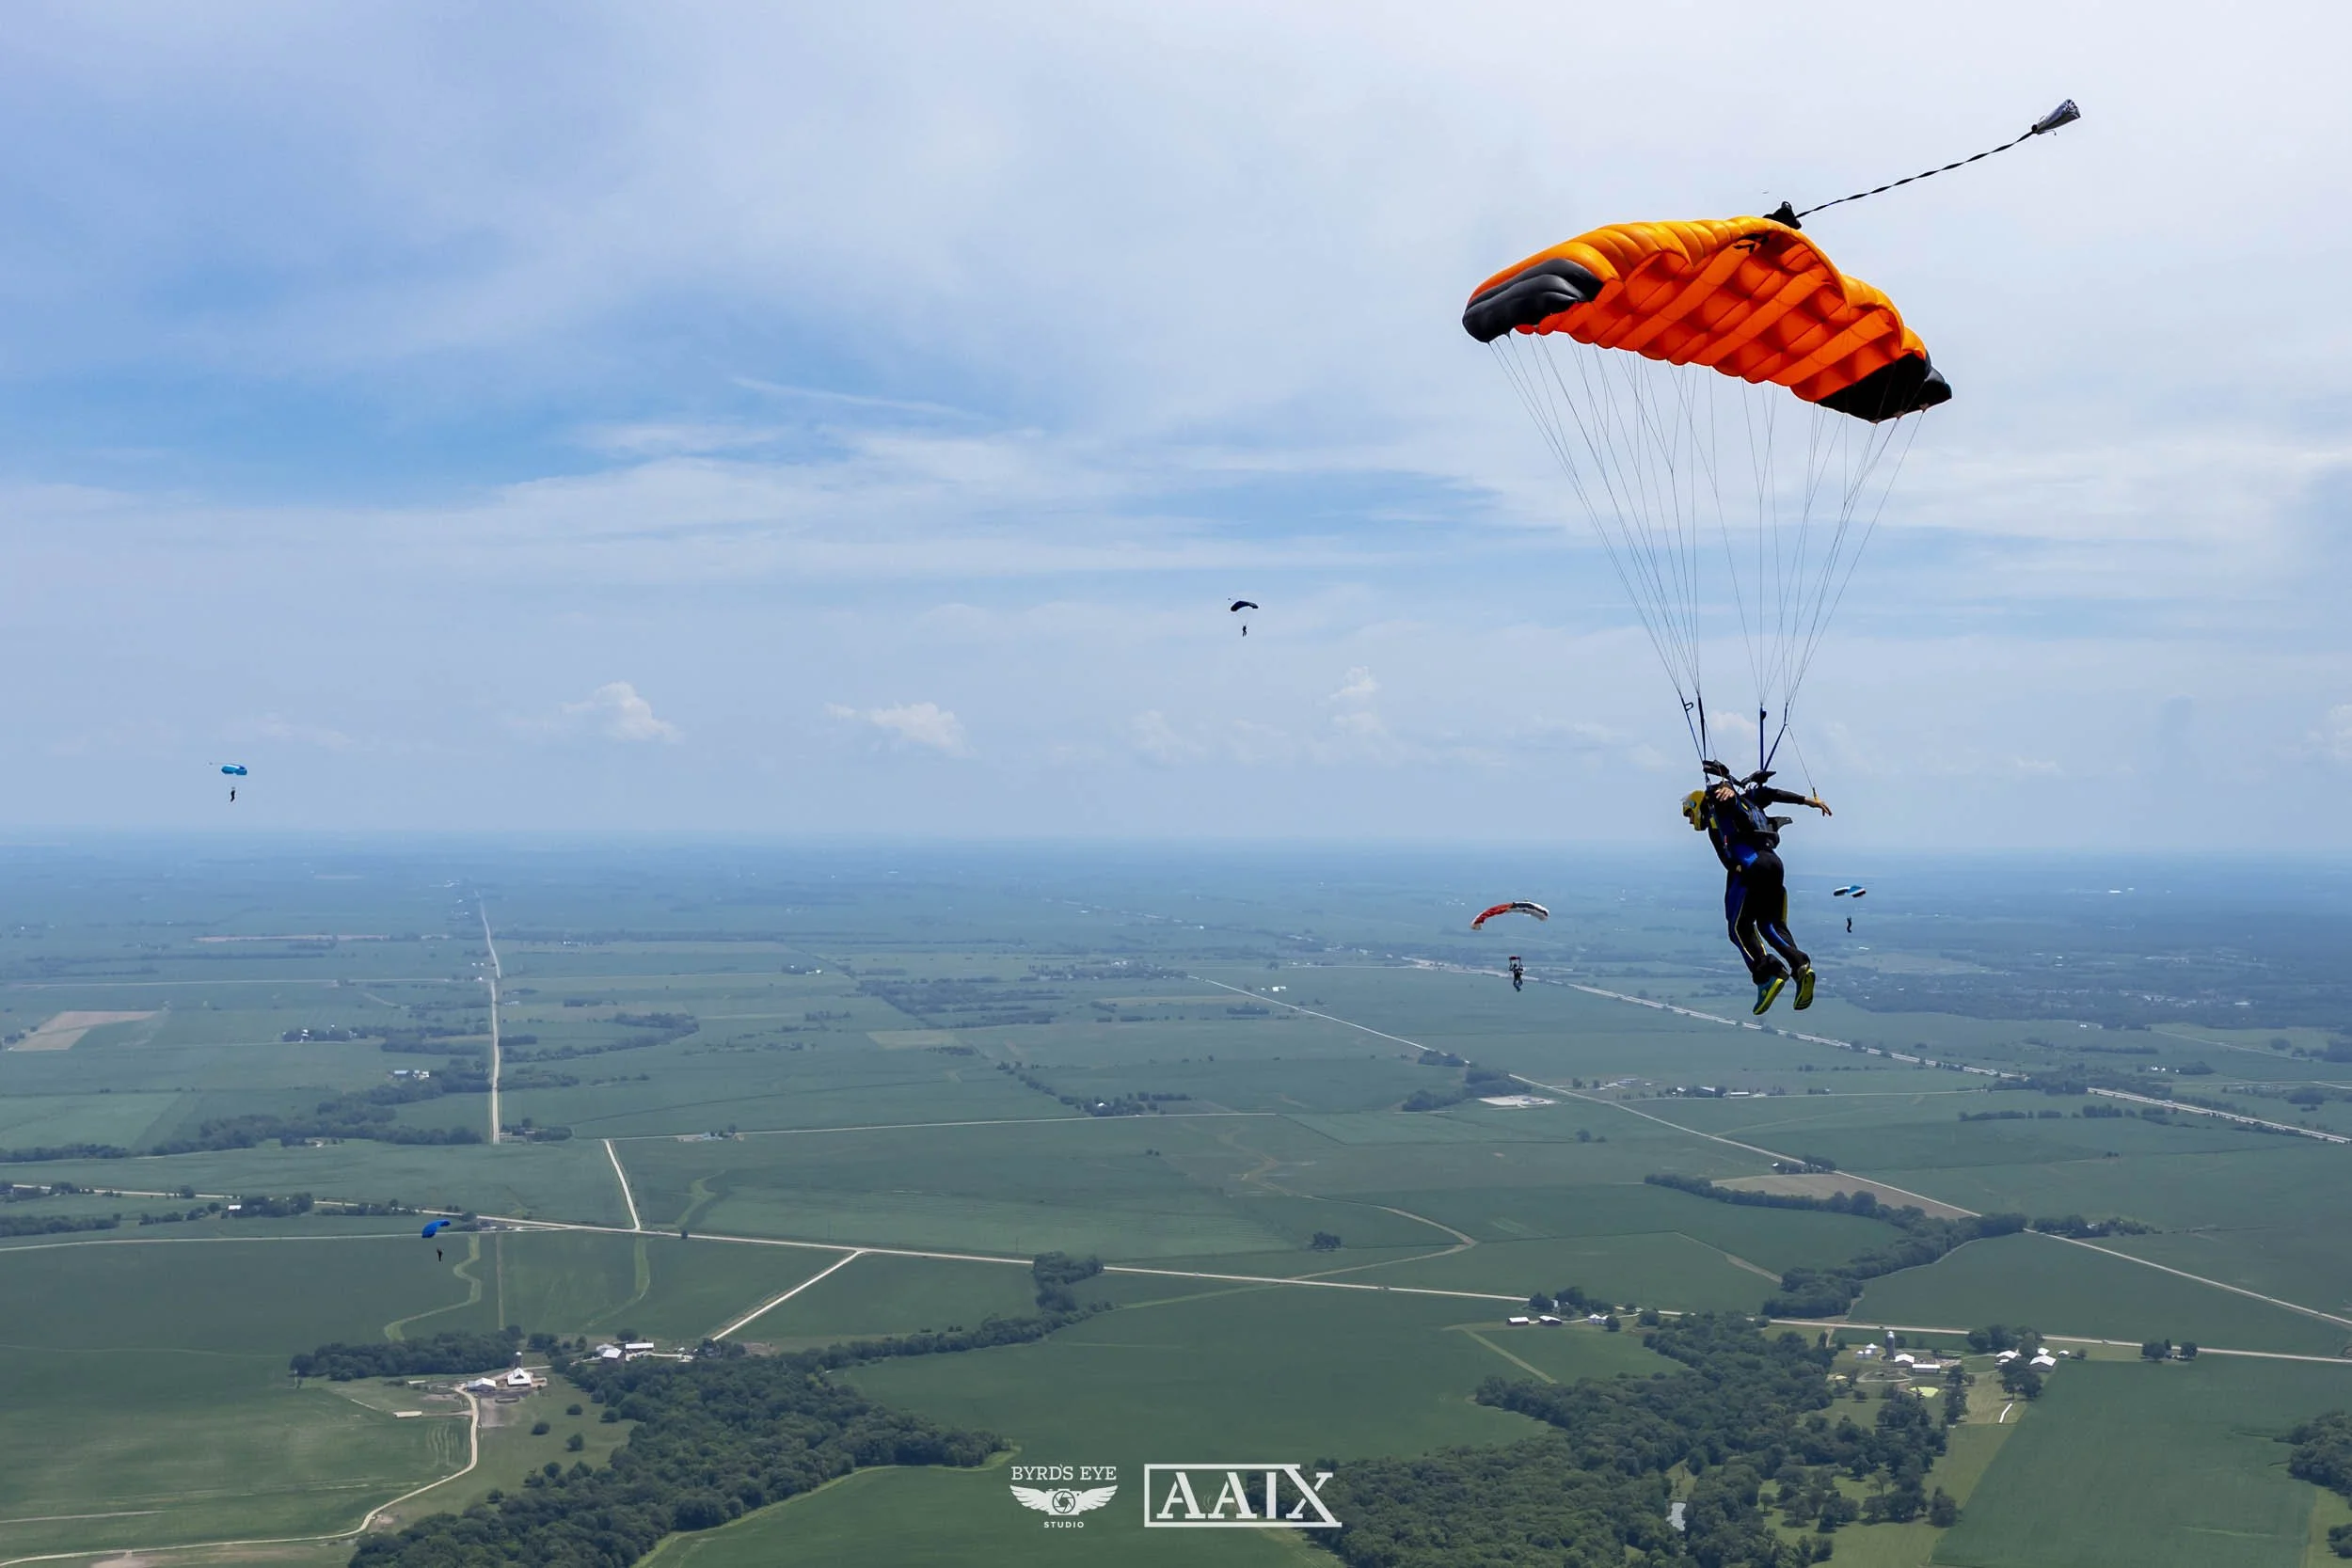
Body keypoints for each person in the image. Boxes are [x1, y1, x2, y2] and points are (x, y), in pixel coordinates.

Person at [1681, 763, 1832, 1013]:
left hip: (1753, 868)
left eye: (1689, 814)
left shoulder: (1719, 806)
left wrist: (1725, 786)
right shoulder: (1750, 801)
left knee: (1738, 927)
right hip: (1775, 864)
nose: (1690, 821)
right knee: (1771, 925)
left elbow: (1723, 795)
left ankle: (1768, 974)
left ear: (1698, 805)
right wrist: (1809, 802)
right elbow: (1773, 794)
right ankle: (1800, 965)